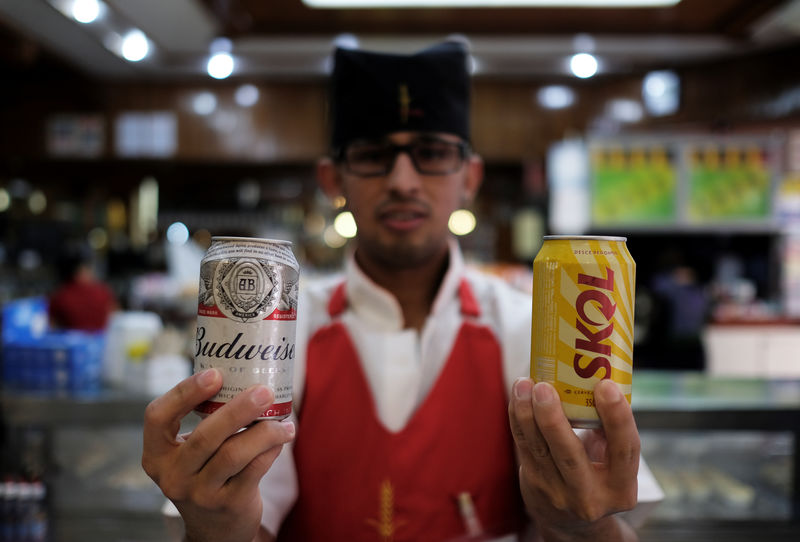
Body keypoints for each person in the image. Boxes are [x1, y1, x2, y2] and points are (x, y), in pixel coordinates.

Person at [142, 41, 656, 541]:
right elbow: (240, 521)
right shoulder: (278, 329)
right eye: (373, 155)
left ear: (470, 176)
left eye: (431, 153)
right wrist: (215, 528)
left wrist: (584, 529)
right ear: (331, 178)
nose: (404, 181)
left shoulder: (533, 327)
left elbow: (616, 520)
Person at [48, 241, 116, 332]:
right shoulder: (104, 292)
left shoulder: (58, 296)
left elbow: (51, 328)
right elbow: (116, 319)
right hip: (103, 344)